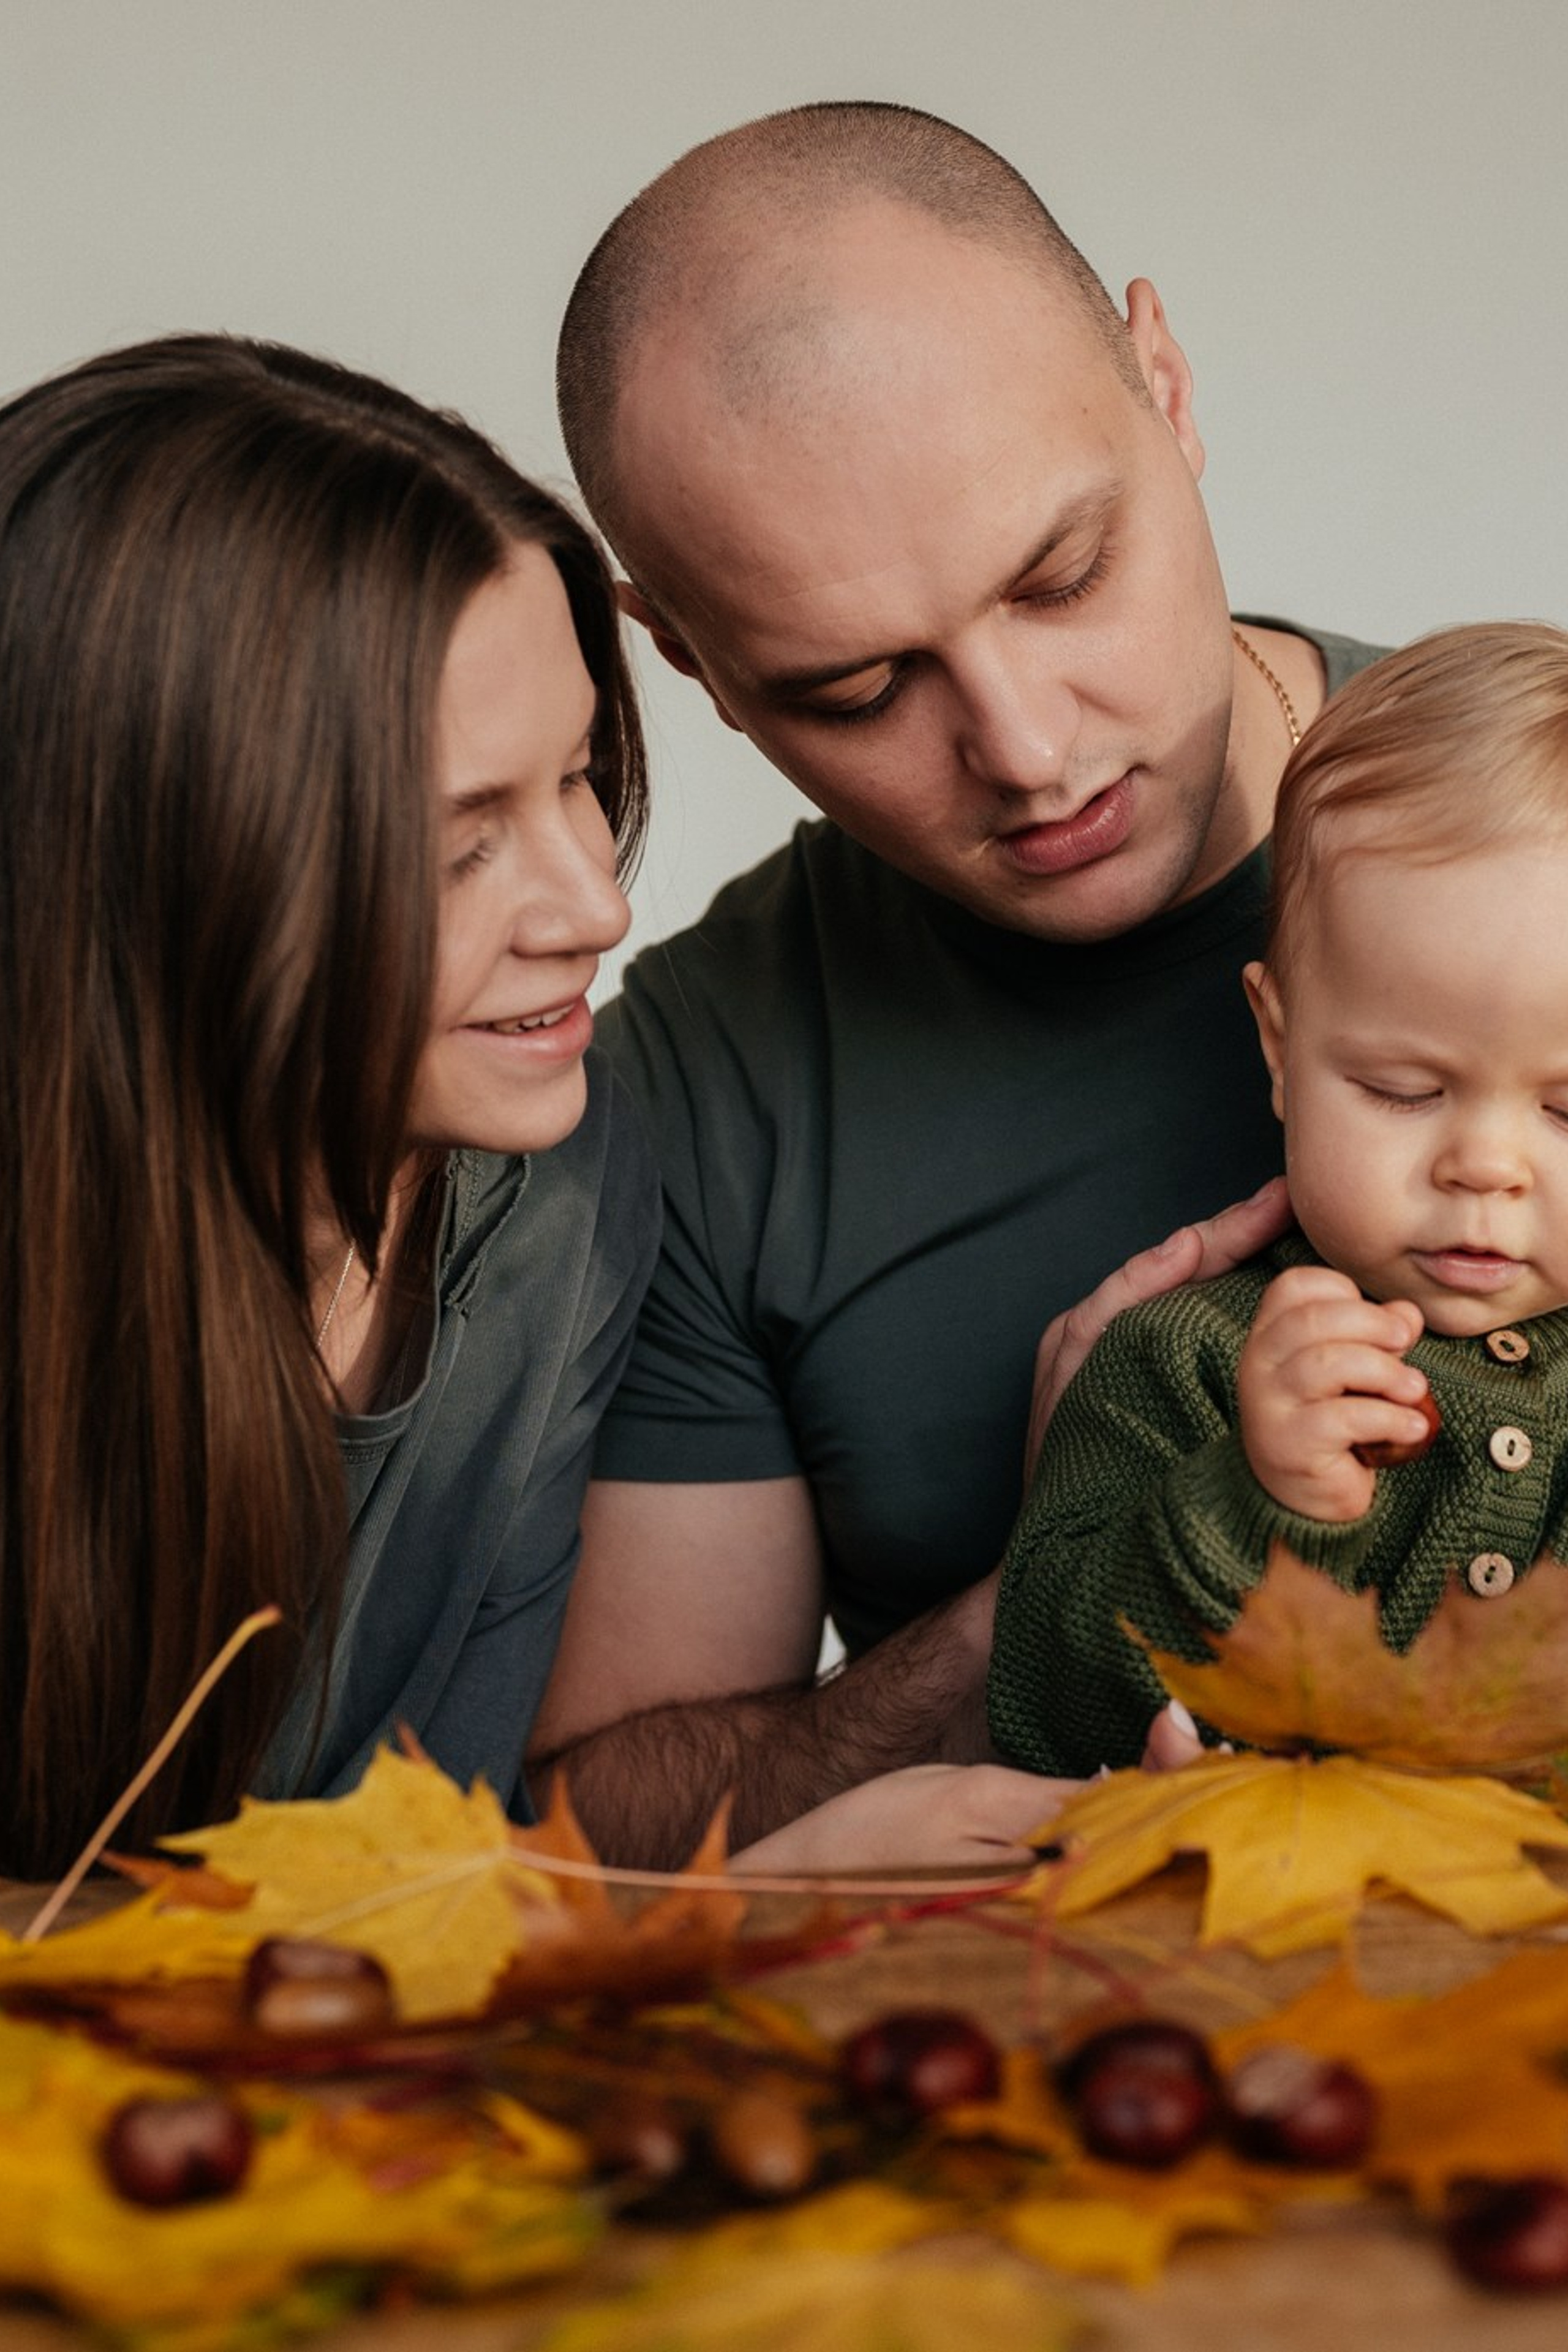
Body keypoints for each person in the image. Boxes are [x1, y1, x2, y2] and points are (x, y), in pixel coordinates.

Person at [527, 100, 1390, 1869]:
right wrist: (1061, 1573)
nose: (1025, 747)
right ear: (685, 658)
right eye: (854, 690)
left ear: (1165, 381)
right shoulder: (687, 1094)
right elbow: (591, 1837)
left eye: (1061, 578)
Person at [0, 333, 657, 1883]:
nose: (593, 908)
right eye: (456, 847)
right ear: (164, 885)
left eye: (573, 777)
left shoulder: (564, 1202)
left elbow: (415, 1882)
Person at [987, 623, 1568, 1775]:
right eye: (1404, 1091)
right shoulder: (1188, 1363)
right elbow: (1044, 1710)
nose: (1487, 1168)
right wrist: (1253, 1498)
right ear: (1279, 1049)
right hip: (1270, 1935)